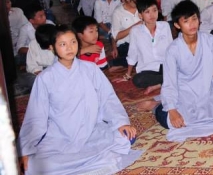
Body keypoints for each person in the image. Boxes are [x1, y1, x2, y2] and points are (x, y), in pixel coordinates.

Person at [17, 26, 140, 175]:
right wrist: (25, 149)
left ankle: (85, 160)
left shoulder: (91, 69)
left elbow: (108, 99)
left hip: (92, 131)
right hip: (61, 137)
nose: (69, 48)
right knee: (32, 166)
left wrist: (120, 123)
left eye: (73, 42)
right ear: (52, 48)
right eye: (63, 44)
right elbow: (36, 116)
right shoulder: (45, 78)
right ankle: (92, 161)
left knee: (125, 137)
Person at [137, 1, 213, 142]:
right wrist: (172, 110)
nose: (192, 24)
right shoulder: (173, 50)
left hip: (208, 91)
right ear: (177, 25)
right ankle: (156, 106)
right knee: (173, 121)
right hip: (184, 95)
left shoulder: (210, 41)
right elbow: (170, 83)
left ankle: (165, 104)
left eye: (194, 19)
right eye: (186, 21)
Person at [124, 0, 173, 93]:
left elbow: (171, 48)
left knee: (182, 69)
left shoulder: (165, 26)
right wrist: (128, 75)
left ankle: (159, 84)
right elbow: (132, 54)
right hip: (148, 68)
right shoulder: (135, 31)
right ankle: (169, 80)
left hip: (165, 65)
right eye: (147, 12)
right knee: (138, 80)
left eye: (154, 10)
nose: (152, 14)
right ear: (140, 15)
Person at [110, 0, 145, 67]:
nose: (138, 3)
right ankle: (117, 63)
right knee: (142, 57)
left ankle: (127, 61)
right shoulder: (118, 12)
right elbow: (116, 36)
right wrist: (135, 26)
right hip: (126, 44)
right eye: (136, 0)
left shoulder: (142, 8)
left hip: (142, 42)